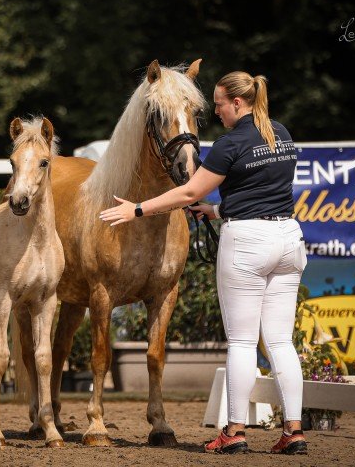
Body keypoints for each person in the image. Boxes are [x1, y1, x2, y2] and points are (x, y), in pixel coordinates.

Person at [99, 71, 307, 455]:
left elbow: (189, 190)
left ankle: (235, 432)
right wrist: (216, 210)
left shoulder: (231, 144)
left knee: (243, 342)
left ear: (238, 103)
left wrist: (138, 209)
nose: (217, 113)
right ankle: (294, 431)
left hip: (247, 243)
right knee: (280, 342)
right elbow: (263, 192)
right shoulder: (281, 134)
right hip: (288, 239)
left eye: (220, 104)